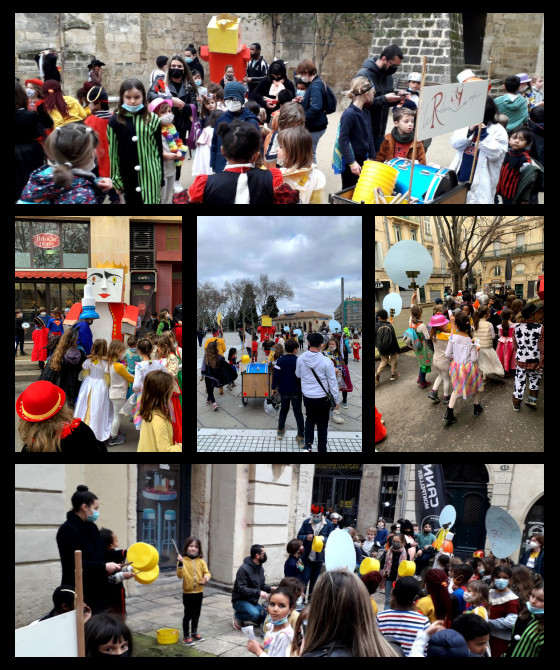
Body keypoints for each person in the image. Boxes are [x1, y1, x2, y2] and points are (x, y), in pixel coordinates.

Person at [56, 485, 122, 614]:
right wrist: (103, 566)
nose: (97, 512)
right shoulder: (67, 530)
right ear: (84, 507)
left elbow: (103, 553)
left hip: (98, 588)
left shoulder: (92, 527)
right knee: (85, 627)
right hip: (80, 588)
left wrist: (125, 553)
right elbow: (73, 563)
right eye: (95, 508)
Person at [295, 332, 340, 453]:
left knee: (309, 419)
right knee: (322, 424)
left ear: (308, 343)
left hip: (308, 396)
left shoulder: (300, 358)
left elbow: (298, 374)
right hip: (322, 398)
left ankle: (308, 446)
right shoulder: (326, 361)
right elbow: (332, 382)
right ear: (322, 344)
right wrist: (337, 400)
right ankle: (322, 449)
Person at [177, 537, 211, 646]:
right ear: (186, 547)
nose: (193, 548)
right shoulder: (182, 561)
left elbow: (208, 573)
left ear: (199, 549)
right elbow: (180, 575)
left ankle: (194, 633)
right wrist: (181, 563)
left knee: (197, 613)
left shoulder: (201, 561)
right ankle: (186, 636)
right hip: (188, 593)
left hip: (199, 592)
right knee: (188, 614)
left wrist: (206, 577)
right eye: (191, 546)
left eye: (196, 547)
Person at [232, 545, 272, 630]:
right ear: (257, 555)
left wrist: (271, 589)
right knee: (255, 614)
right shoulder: (243, 569)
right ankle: (237, 616)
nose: (265, 555)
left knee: (266, 614)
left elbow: (261, 585)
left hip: (252, 601)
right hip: (240, 600)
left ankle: (250, 615)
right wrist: (259, 592)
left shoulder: (260, 568)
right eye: (263, 553)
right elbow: (241, 589)